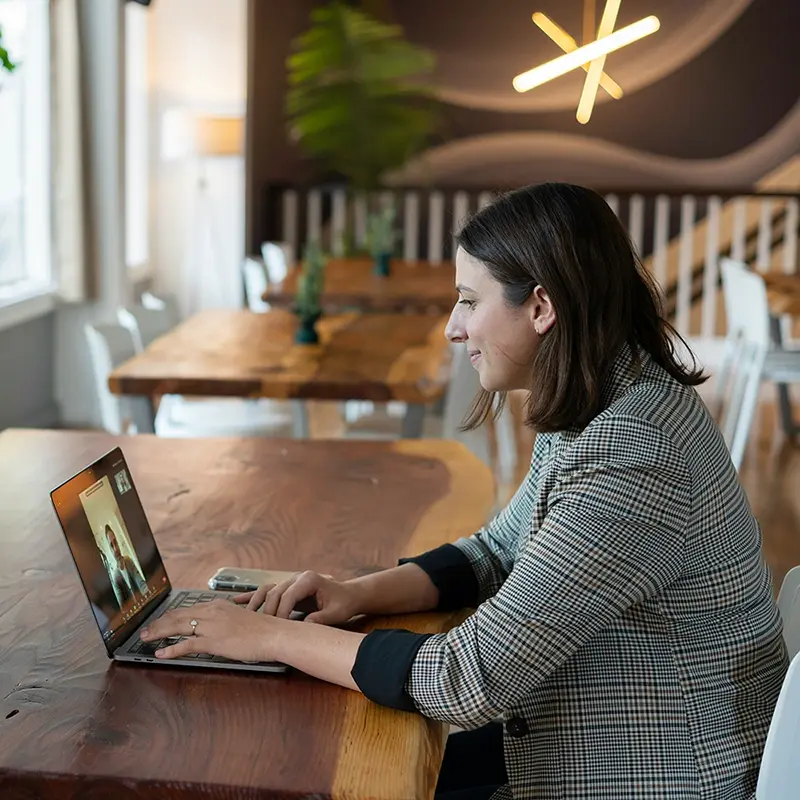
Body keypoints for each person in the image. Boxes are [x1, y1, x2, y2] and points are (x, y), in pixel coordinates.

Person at [140, 183, 788, 800]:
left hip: (654, 774)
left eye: (470, 301)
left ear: (540, 306)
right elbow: (496, 551)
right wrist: (353, 593)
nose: (454, 328)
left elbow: (467, 680)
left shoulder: (635, 451)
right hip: (597, 738)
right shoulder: (607, 395)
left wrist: (269, 640)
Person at [103, 523, 147, 608]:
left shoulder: (128, 561)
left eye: (115, 542)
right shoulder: (115, 577)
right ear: (109, 549)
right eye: (112, 545)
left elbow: (141, 583)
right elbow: (122, 607)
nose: (116, 549)